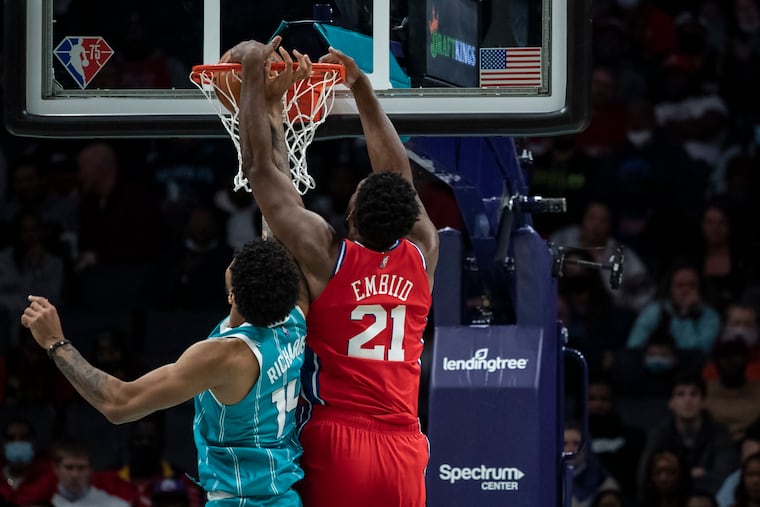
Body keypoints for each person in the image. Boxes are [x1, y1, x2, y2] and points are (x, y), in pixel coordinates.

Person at [230, 37, 439, 506]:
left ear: (350, 216)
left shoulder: (328, 257)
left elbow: (260, 171)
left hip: (338, 436)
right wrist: (361, 87)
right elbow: (400, 179)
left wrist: (250, 79)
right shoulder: (424, 252)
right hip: (405, 446)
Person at [20, 237, 308, 507]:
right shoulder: (295, 317)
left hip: (240, 499)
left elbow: (118, 404)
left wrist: (54, 342)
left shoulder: (226, 356)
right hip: (284, 497)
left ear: (233, 296)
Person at [50, 438, 130, 507]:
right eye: (69, 468)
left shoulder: (116, 505)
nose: (75, 475)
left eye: (81, 468)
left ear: (91, 470)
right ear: (56, 468)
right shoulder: (41, 502)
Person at [0, 419, 57, 506]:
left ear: (34, 443)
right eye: (11, 438)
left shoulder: (51, 476)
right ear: (4, 444)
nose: (17, 442)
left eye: (24, 437)